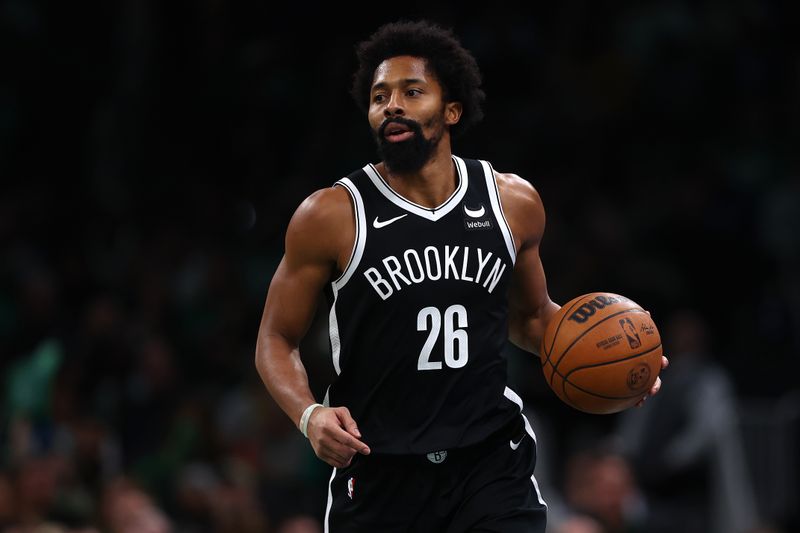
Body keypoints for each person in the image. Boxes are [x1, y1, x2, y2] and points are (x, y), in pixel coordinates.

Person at [254, 20, 666, 532]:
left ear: (452, 110)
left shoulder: (512, 202)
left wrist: (618, 353)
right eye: (379, 96)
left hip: (489, 462)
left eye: (412, 91)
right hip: (381, 466)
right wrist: (309, 414)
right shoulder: (331, 215)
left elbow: (533, 319)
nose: (392, 106)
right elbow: (275, 337)